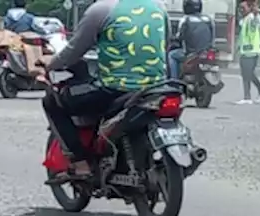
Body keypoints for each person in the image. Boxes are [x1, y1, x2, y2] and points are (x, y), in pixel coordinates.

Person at [41, 0, 167, 177]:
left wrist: (50, 64)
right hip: (156, 86)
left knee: (52, 100)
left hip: (115, 88)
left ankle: (80, 163)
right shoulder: (159, 7)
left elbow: (74, 50)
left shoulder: (101, 10)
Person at [167, 0, 212, 81]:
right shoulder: (208, 19)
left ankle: (174, 81)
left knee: (171, 55)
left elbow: (179, 37)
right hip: (206, 53)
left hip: (190, 54)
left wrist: (172, 38)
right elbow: (212, 37)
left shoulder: (185, 19)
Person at [235, 0, 260, 104]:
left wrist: (255, 13)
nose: (241, 10)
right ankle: (253, 94)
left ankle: (249, 97)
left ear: (249, 8)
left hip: (252, 51)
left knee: (248, 74)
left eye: (243, 8)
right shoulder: (245, 19)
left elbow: (255, 23)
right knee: (247, 74)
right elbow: (243, 37)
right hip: (245, 51)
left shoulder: (252, 17)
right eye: (240, 8)